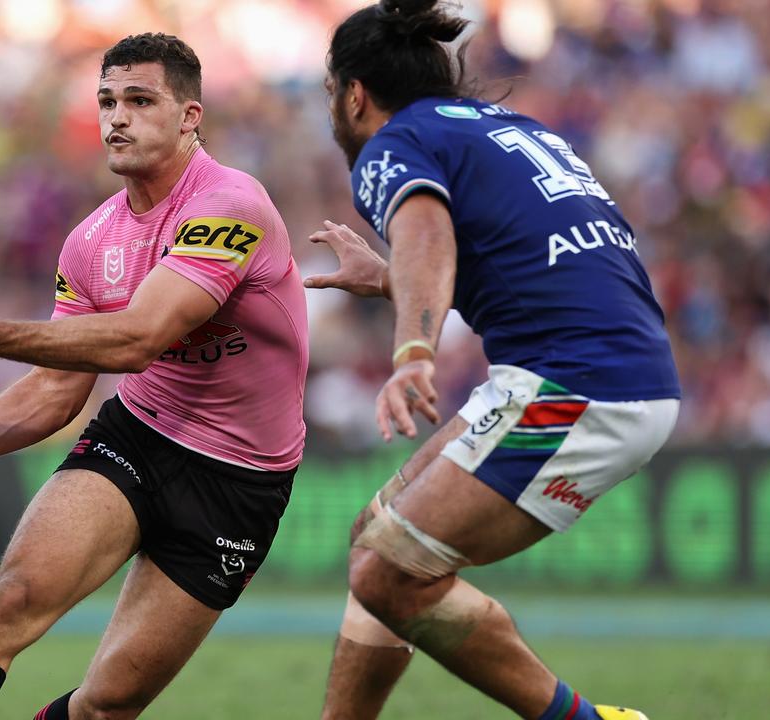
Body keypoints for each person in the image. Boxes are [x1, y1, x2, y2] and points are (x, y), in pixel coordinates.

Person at [0, 33, 308, 720]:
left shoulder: (230, 206)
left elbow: (136, 339)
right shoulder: (91, 241)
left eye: (140, 100)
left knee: (108, 704)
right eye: (107, 101)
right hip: (139, 438)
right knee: (10, 605)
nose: (117, 117)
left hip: (240, 483)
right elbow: (61, 385)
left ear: (190, 116)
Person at [304, 2, 681, 719]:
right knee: (376, 539)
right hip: (601, 370)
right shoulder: (512, 130)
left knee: (390, 569)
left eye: (331, 94)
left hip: (577, 382)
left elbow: (428, 237)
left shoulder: (394, 142)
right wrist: (389, 278)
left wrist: (413, 352)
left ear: (355, 94)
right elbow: (516, 259)